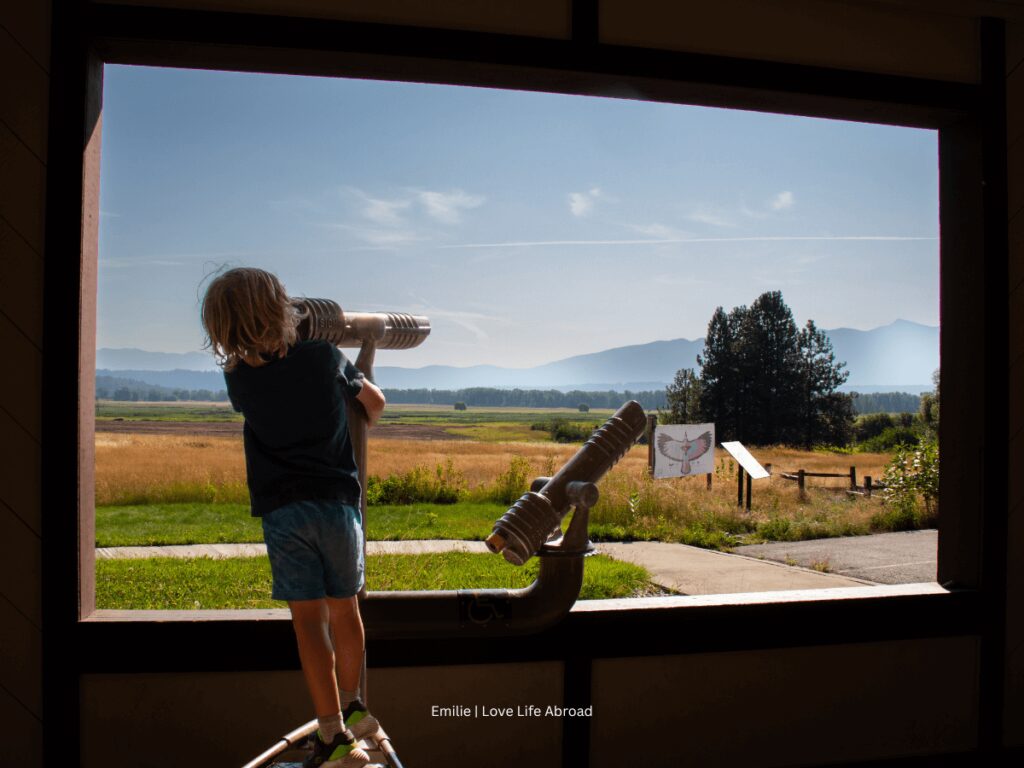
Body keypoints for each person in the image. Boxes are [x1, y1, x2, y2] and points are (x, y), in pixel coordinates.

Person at [201, 267, 386, 768]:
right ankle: (354, 704)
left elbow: (261, 369)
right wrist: (354, 378)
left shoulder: (237, 379)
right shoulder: (325, 358)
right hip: (335, 503)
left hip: (281, 512)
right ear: (282, 311)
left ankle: (330, 728)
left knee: (308, 623)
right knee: (345, 610)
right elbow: (375, 404)